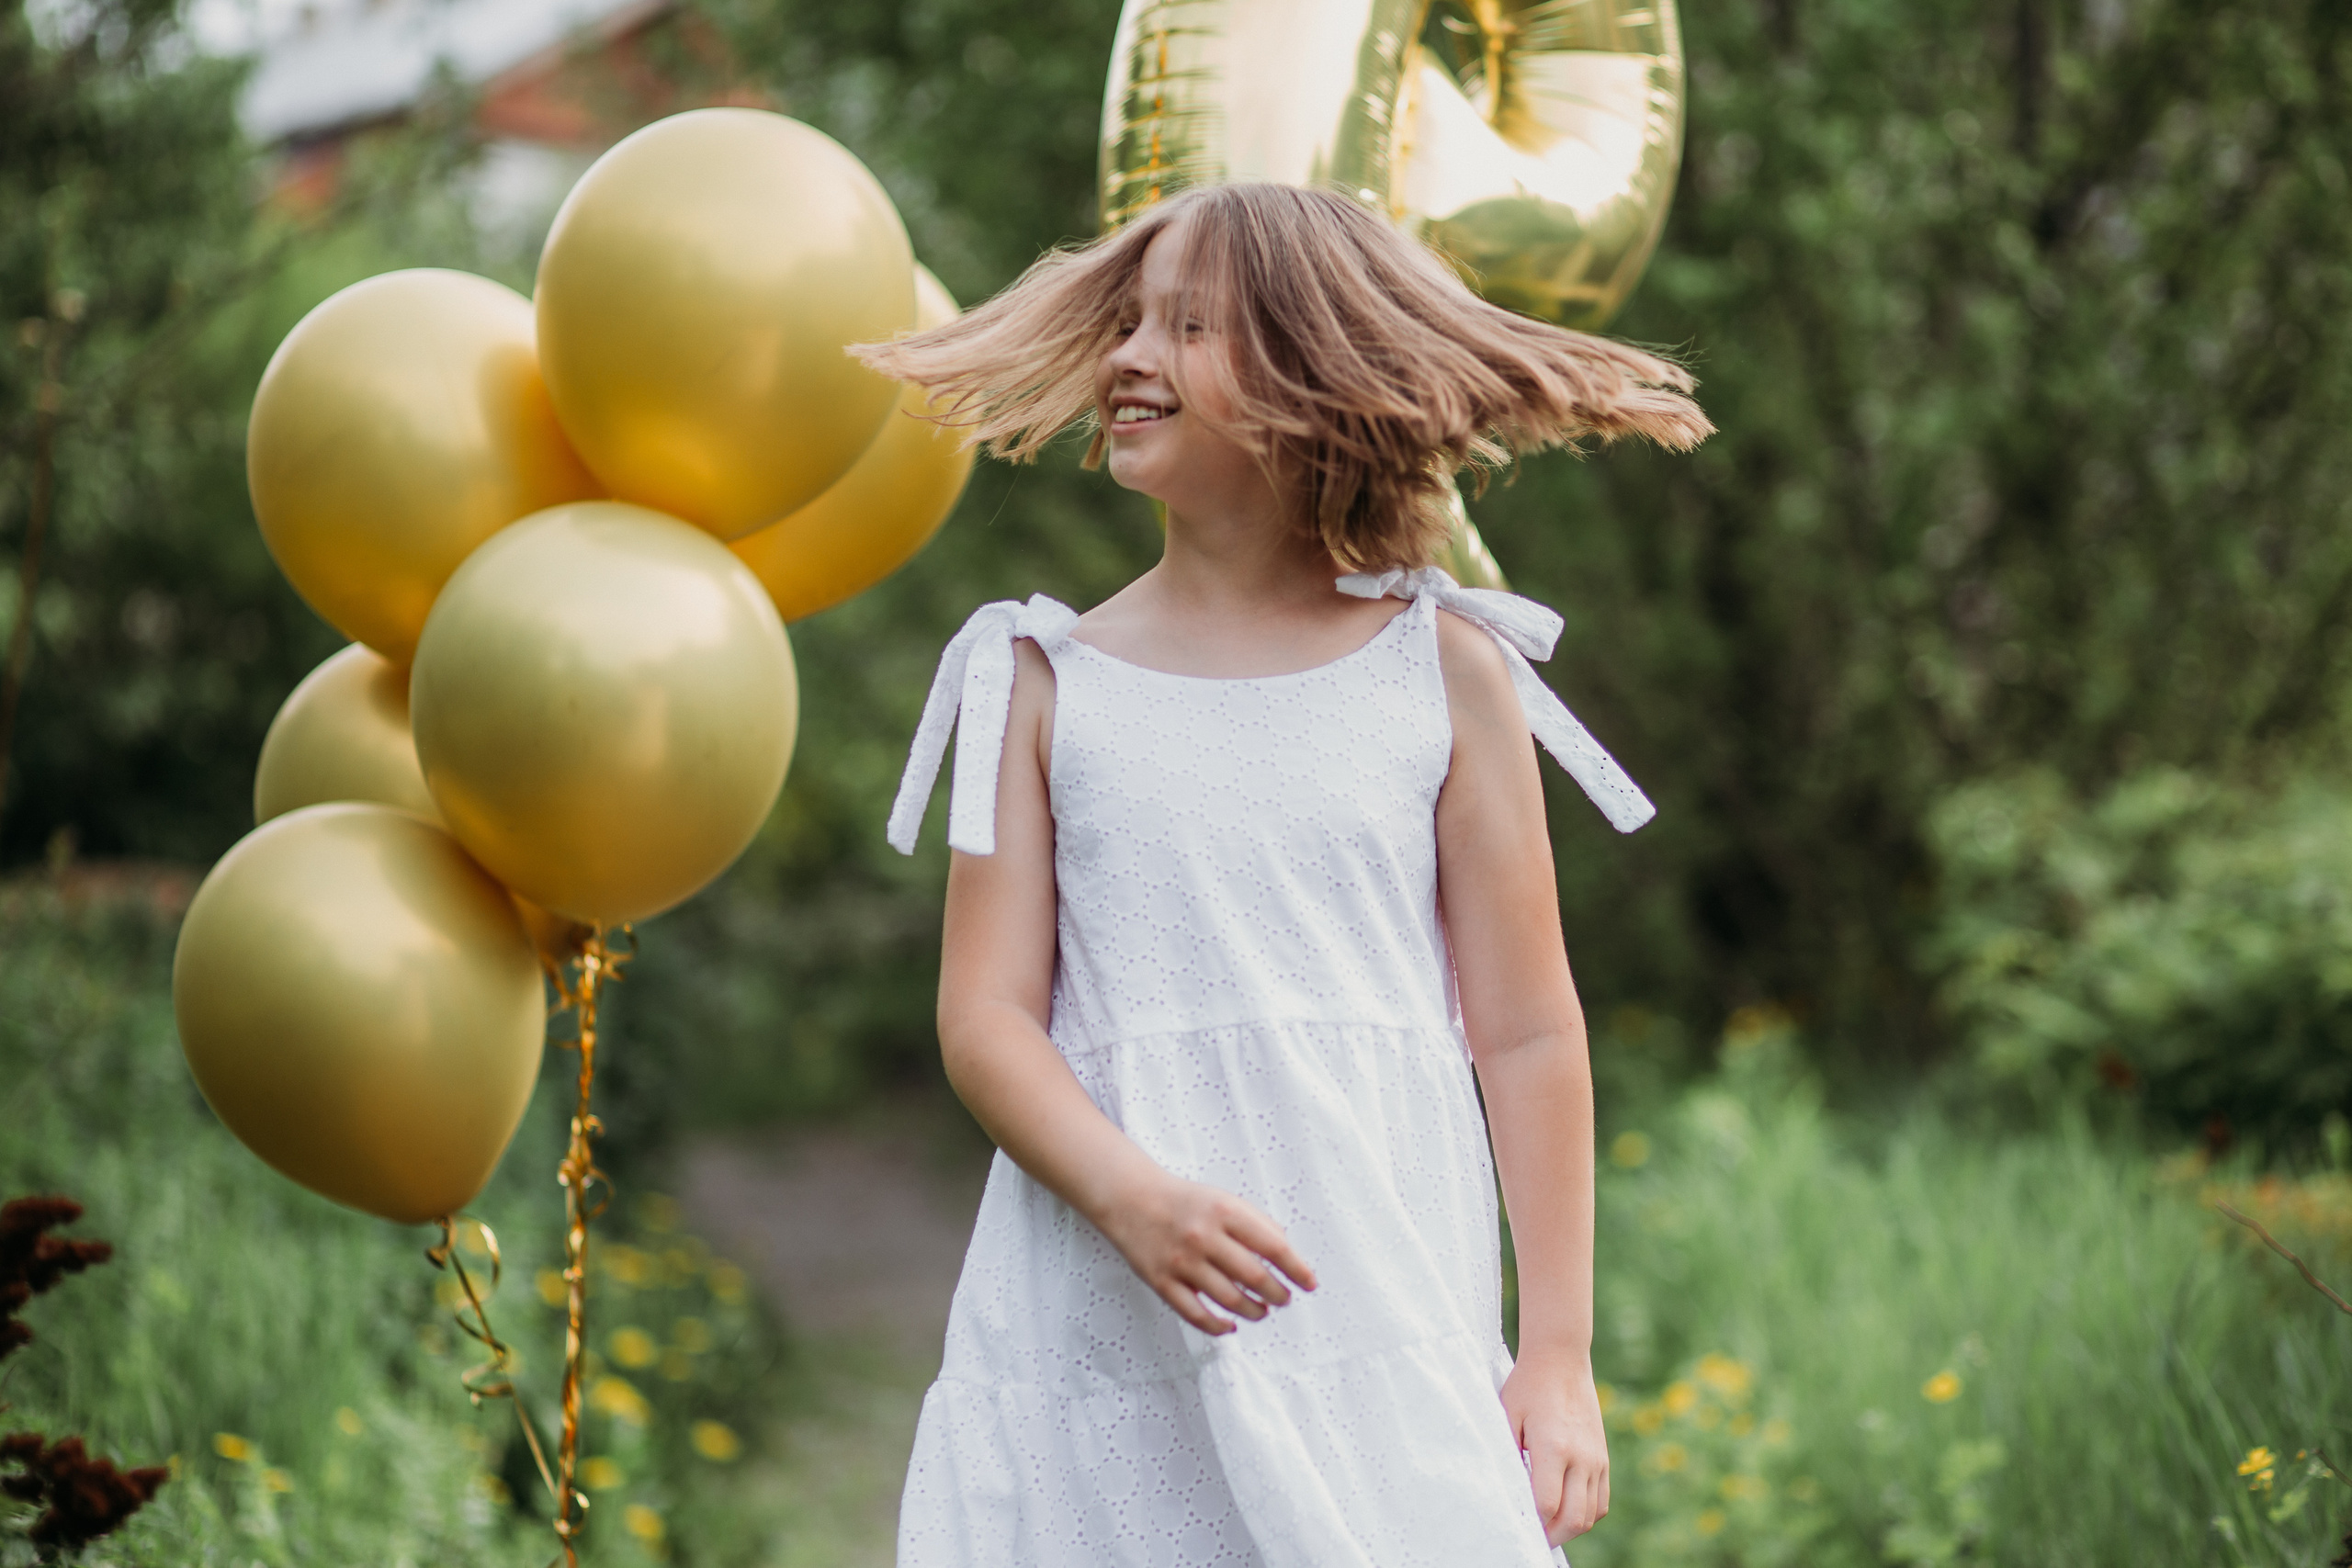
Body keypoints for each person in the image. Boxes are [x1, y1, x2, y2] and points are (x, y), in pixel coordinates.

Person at [862, 182, 1712, 1568]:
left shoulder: (1443, 672)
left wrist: (1555, 1355)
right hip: (1106, 1315)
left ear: (1313, 370)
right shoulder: (1037, 681)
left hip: (1377, 1310)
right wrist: (1134, 1198)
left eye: (1186, 327)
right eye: (1126, 322)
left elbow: (1530, 1030)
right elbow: (985, 1020)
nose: (1130, 357)